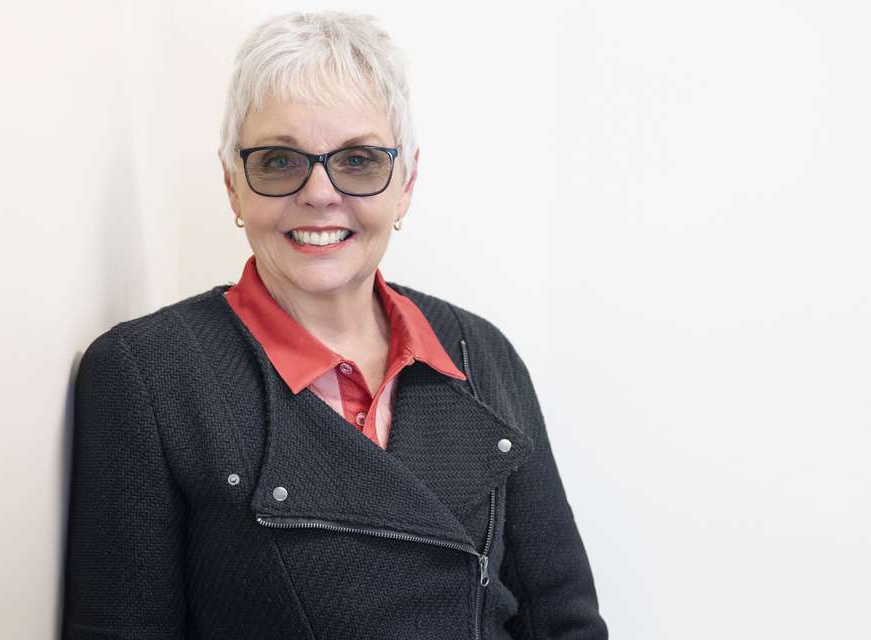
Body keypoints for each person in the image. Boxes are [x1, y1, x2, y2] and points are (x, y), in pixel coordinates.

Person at [61, 10, 608, 640]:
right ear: (233, 186)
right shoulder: (146, 374)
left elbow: (564, 618)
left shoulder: (480, 352)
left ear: (405, 184)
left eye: (358, 160)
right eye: (277, 161)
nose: (320, 193)